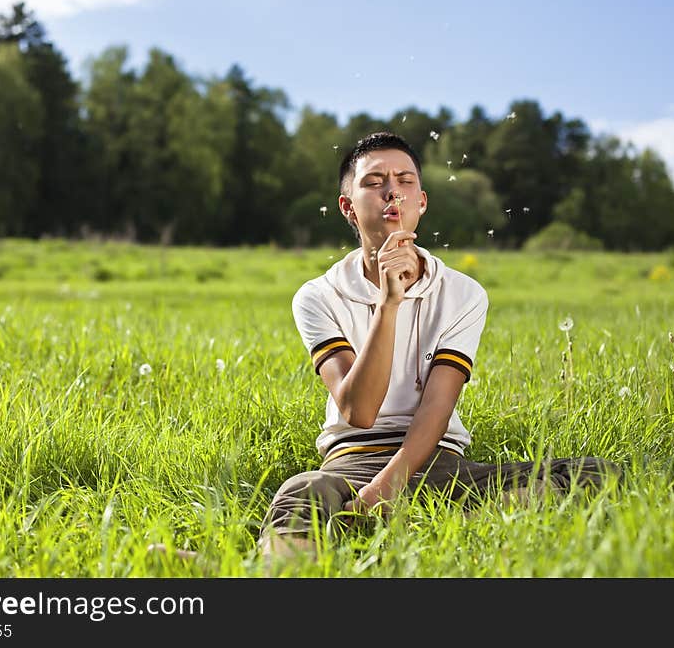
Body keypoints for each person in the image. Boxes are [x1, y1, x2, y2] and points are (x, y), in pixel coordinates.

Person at [257, 131, 621, 560]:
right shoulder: (317, 296)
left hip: (438, 461)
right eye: (374, 182)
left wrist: (384, 492)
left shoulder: (463, 293)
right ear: (348, 208)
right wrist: (389, 303)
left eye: (405, 180)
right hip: (351, 463)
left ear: (422, 202)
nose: (392, 190)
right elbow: (359, 410)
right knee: (304, 490)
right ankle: (294, 566)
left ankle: (394, 526)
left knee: (597, 475)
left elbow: (436, 408)